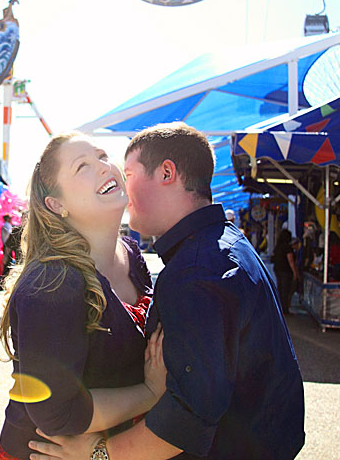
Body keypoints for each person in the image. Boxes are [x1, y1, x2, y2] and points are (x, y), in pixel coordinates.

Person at [29, 122, 304, 460]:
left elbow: (189, 414)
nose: (116, 177)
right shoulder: (225, 244)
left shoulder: (193, 272)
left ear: (167, 173)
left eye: (126, 173)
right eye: (85, 165)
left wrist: (100, 454)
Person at [0, 133, 166, 460]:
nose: (104, 167)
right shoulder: (53, 282)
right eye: (82, 166)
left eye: (102, 156)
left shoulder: (131, 253)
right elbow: (55, 413)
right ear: (56, 204)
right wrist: (149, 393)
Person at [271, 229, 299, 314]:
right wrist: (295, 272)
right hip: (286, 271)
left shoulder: (277, 247)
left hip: (277, 269)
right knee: (286, 290)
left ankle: (279, 308)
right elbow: (291, 261)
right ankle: (285, 309)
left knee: (280, 289)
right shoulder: (287, 247)